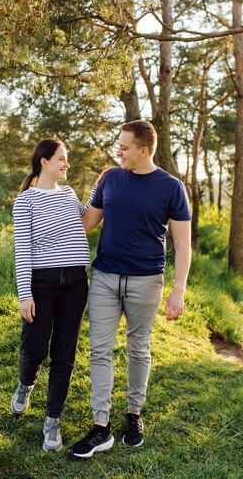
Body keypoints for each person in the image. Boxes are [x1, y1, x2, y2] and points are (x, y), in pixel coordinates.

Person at [69, 120, 191, 459]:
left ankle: (133, 415)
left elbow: (182, 244)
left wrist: (178, 289)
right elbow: (86, 223)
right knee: (100, 350)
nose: (118, 150)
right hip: (106, 278)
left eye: (124, 145)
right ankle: (100, 426)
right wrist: (52, 199)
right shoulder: (109, 178)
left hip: (146, 281)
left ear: (144, 150)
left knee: (138, 349)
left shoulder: (171, 187)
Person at [11, 138, 97, 452]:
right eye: (62, 159)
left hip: (75, 281)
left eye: (67, 160)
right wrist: (25, 295)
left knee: (65, 353)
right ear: (44, 161)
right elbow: (22, 251)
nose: (67, 164)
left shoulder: (69, 193)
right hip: (42, 283)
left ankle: (52, 422)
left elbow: (84, 222)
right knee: (35, 347)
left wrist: (96, 191)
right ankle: (25, 384)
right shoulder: (25, 201)